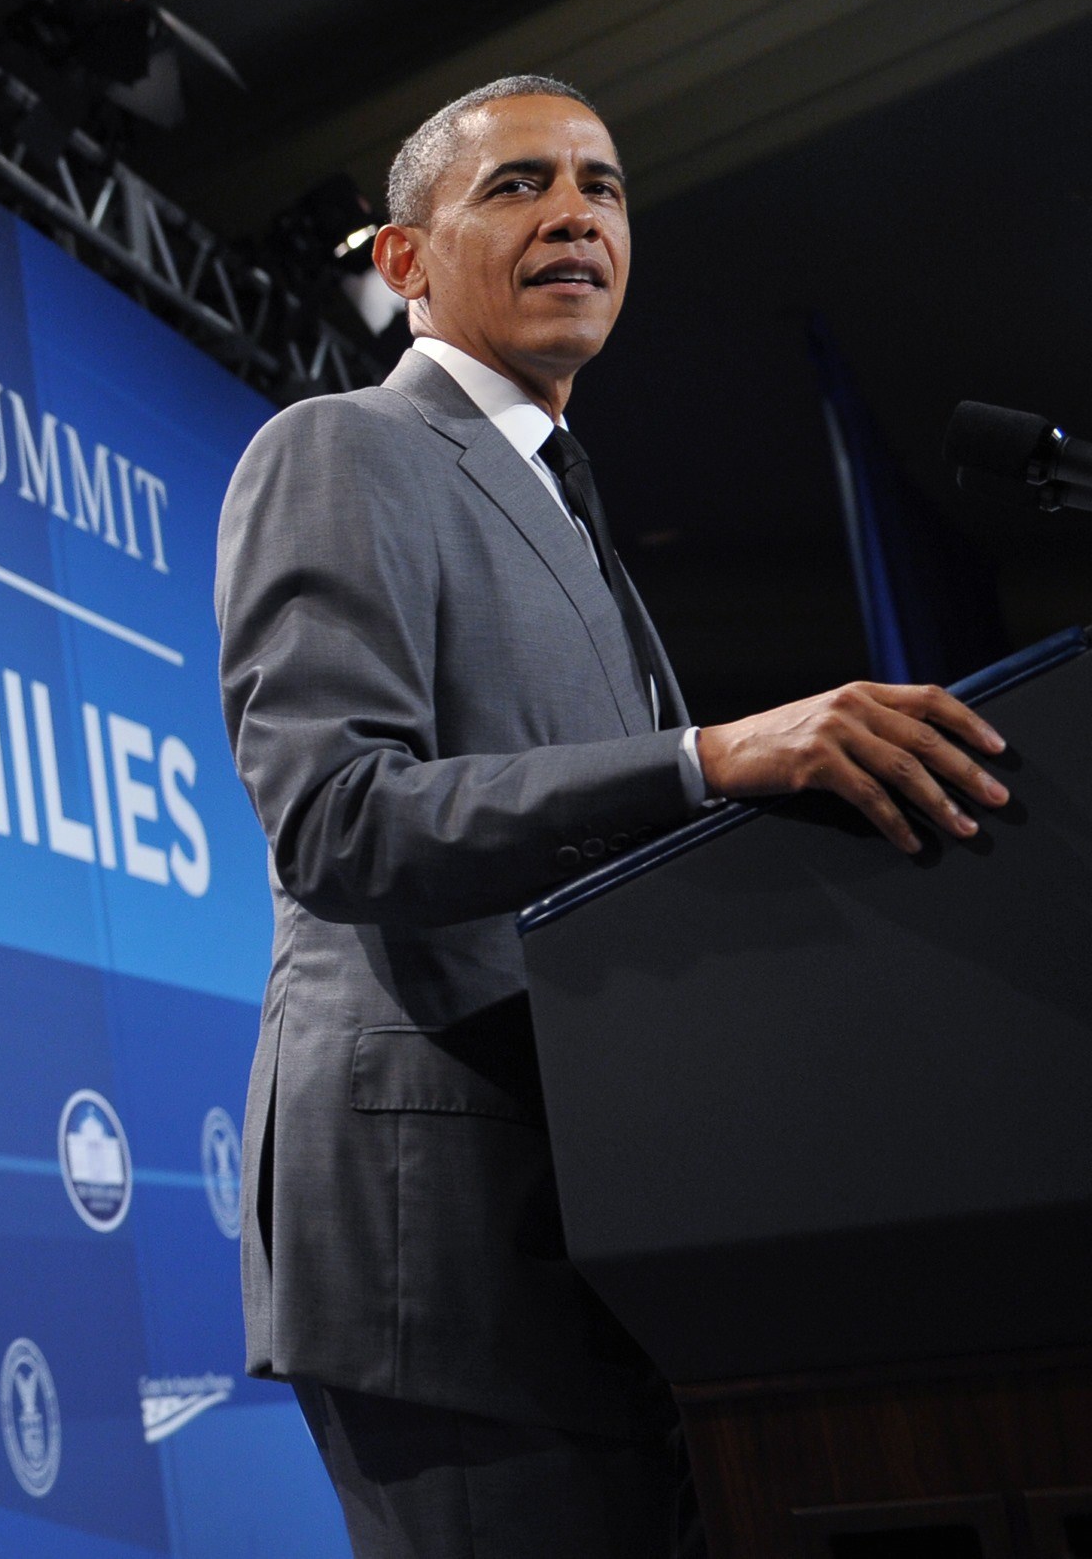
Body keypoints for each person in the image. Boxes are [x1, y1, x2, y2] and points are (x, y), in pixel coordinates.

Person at [215, 75, 1009, 1558]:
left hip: (624, 1229)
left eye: (605, 186)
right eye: (518, 184)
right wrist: (710, 756)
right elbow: (339, 820)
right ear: (403, 262)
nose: (577, 212)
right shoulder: (342, 447)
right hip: (444, 1238)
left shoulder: (571, 508)